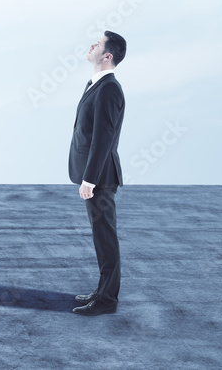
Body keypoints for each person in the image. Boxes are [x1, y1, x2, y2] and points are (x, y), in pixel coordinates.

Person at [68, 31, 126, 315]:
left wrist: (89, 179)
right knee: (100, 235)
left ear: (107, 56)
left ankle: (107, 301)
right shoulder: (95, 85)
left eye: (98, 44)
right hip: (95, 175)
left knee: (105, 236)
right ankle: (103, 291)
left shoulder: (109, 88)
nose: (91, 44)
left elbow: (103, 137)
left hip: (100, 177)